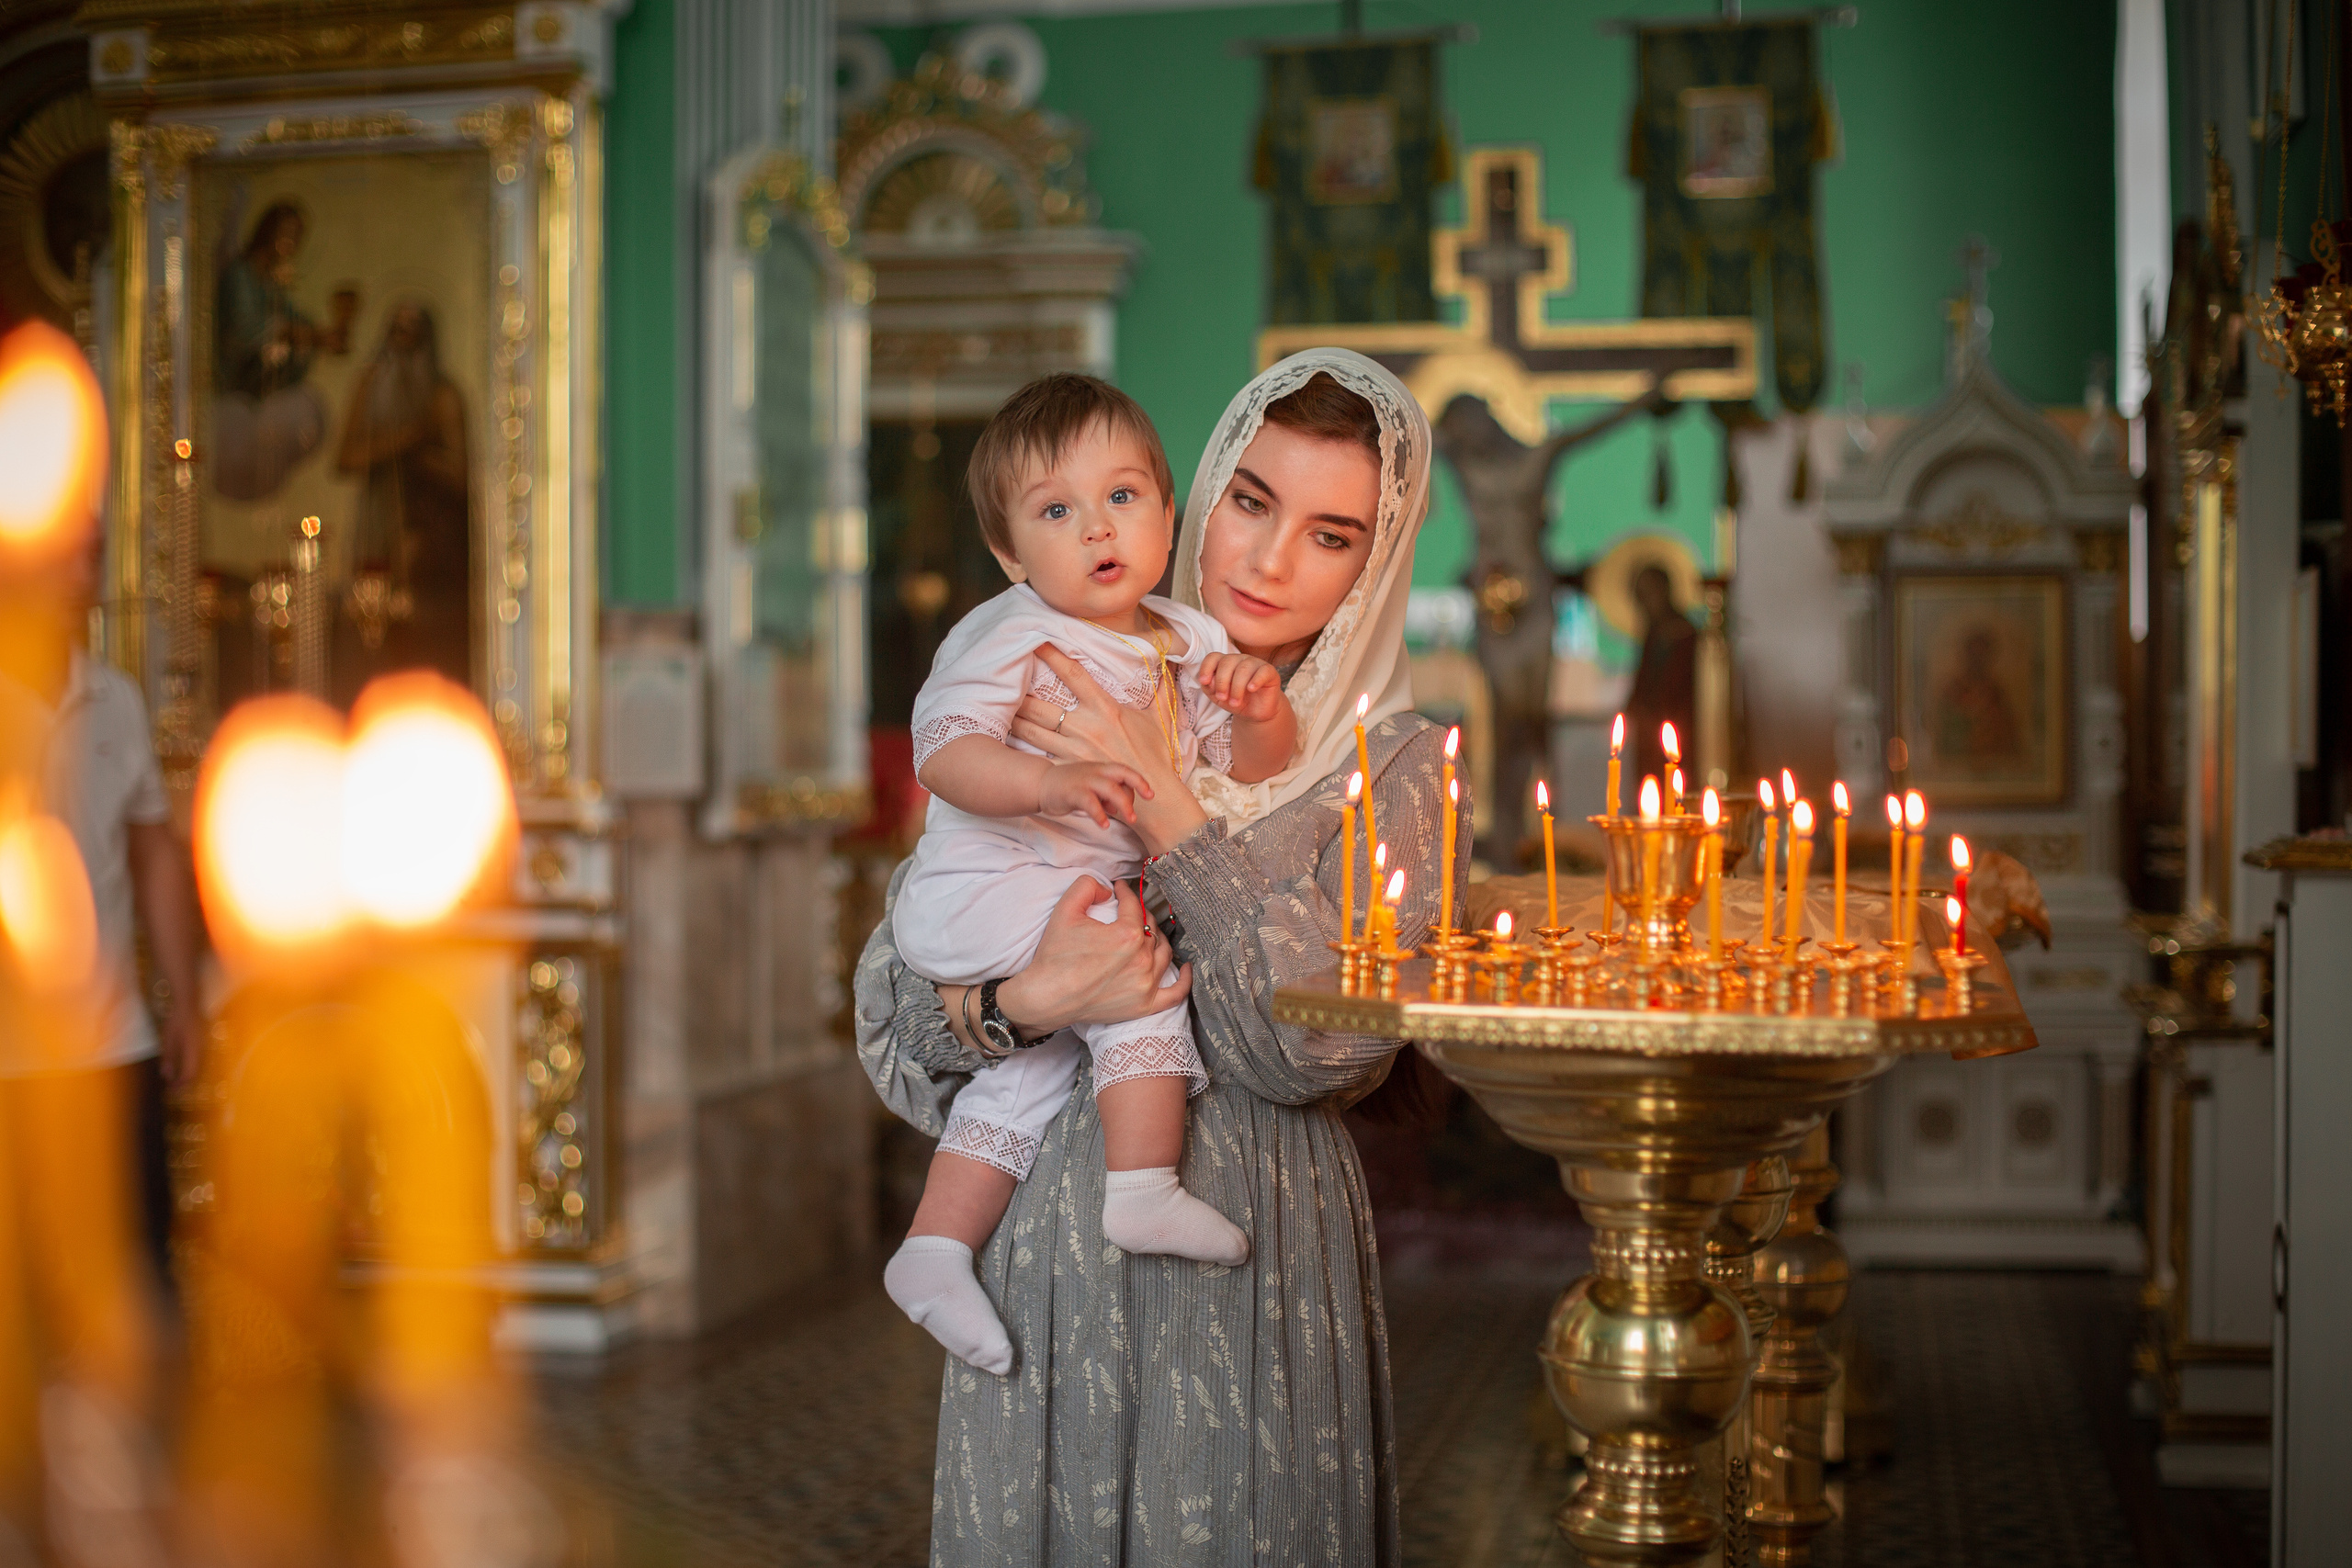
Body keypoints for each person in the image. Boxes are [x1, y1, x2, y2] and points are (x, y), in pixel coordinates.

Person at [856, 349, 1464, 1564]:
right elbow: (891, 1027)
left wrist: (1172, 807)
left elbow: (1317, 1048)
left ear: (1376, 561)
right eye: (1251, 500)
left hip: (1258, 1267)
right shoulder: (1051, 663)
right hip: (1037, 1255)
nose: (1270, 559)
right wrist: (1029, 1000)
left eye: (1332, 532)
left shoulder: (1396, 767)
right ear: (1199, 492)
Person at [883, 374, 1295, 1374]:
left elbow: (1248, 769)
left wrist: (1255, 705)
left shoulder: (1187, 640)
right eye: (1056, 512)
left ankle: (935, 1250)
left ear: (1166, 513)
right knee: (1135, 972)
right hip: (985, 886)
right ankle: (1141, 1190)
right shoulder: (1010, 631)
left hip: (1044, 907)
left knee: (1027, 1075)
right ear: (1010, 554)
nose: (1096, 529)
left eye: (1122, 497)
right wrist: (1046, 781)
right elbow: (941, 750)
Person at [0, 535, 206, 1285]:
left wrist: (184, 998)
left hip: (114, 1045)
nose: (76, 576)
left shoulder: (117, 699)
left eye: (88, 558)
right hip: (11, 1060)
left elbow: (152, 854)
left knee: (137, 1277)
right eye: (59, 557)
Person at [335, 299, 473, 692]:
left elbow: (463, 476)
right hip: (377, 523)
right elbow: (346, 458)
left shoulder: (444, 396)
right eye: (397, 329)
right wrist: (410, 436)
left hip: (432, 535)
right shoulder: (371, 384)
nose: (404, 341)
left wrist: (422, 455)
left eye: (414, 331)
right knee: (372, 638)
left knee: (425, 643)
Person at [213, 200, 356, 502]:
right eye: (287, 233)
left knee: (307, 413)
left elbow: (297, 323)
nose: (292, 243)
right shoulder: (240, 275)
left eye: (298, 236)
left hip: (265, 396)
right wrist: (310, 335)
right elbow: (248, 329)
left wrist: (327, 334)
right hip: (235, 395)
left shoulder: (270, 283)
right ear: (268, 232)